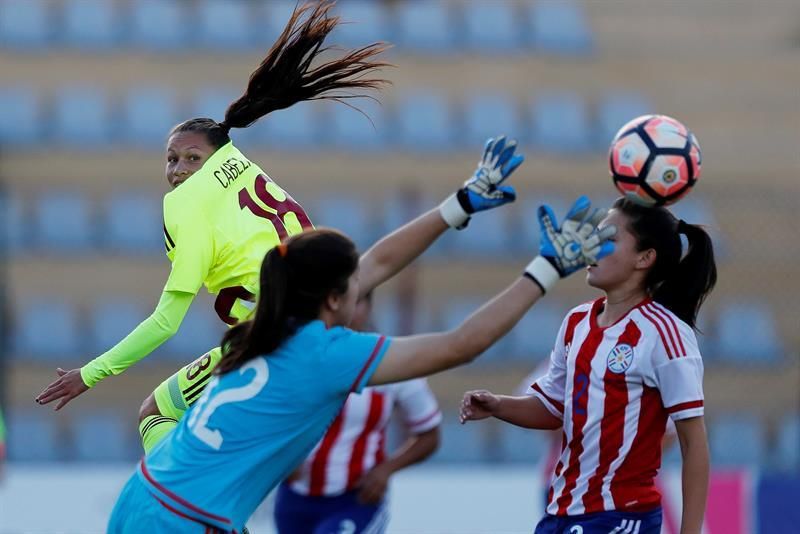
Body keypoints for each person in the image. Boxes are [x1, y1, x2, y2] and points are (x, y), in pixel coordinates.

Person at [106, 191, 615, 532]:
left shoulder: (261, 325)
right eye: (353, 285)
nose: (365, 287)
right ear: (332, 299)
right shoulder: (326, 354)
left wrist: (456, 205)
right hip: (188, 520)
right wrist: (547, 268)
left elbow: (377, 263)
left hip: (141, 496)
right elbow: (462, 344)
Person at [34, 0, 394, 452]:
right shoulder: (243, 170)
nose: (179, 170)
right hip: (317, 334)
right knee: (217, 430)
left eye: (191, 158)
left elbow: (166, 322)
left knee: (157, 413)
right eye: (171, 159)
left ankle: (190, 516)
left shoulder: (187, 206)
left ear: (210, 159)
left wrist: (88, 374)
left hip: (272, 338)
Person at [461, 198, 716, 534]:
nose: (592, 246)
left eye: (608, 238)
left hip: (622, 515)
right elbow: (553, 408)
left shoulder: (664, 334)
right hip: (560, 513)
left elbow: (692, 442)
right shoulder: (577, 322)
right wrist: (499, 405)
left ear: (645, 257)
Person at [274, 290, 442, 534]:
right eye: (338, 299)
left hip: (355, 499)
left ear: (369, 306)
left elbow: (429, 435)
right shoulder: (300, 356)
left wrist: (387, 469)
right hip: (295, 497)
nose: (349, 308)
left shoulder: (394, 361)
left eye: (357, 300)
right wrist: (283, 457)